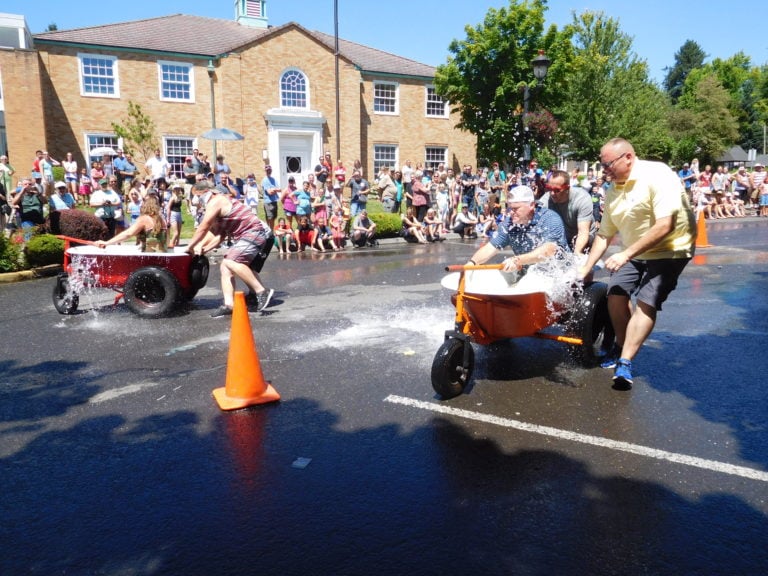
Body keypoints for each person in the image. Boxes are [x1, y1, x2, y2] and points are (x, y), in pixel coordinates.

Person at [578, 138, 696, 390]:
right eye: (602, 165)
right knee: (615, 294)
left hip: (670, 249)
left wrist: (625, 254)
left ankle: (625, 362)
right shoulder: (613, 190)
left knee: (646, 302)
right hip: (635, 250)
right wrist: (585, 269)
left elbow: (666, 225)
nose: (604, 170)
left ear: (628, 157)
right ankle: (622, 343)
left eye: (608, 164)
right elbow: (603, 235)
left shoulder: (658, 175)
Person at [187, 182, 275, 317]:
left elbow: (203, 227)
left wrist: (190, 247)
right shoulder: (216, 205)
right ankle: (229, 305)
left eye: (196, 195)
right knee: (225, 267)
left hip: (253, 232)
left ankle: (261, 291)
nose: (195, 199)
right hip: (245, 235)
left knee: (231, 261)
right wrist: (203, 248)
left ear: (205, 192)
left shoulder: (216, 201)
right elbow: (219, 235)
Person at [466, 185, 569, 279]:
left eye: (516, 209)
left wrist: (517, 260)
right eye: (510, 208)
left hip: (558, 276)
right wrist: (471, 263)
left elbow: (549, 250)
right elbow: (491, 247)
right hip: (530, 276)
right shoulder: (509, 224)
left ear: (532, 205)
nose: (511, 212)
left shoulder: (550, 219)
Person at [539, 169, 596, 254]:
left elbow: (583, 231)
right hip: (562, 236)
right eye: (549, 189)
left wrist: (577, 255)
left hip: (583, 236)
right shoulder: (545, 201)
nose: (552, 193)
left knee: (578, 251)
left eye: (557, 190)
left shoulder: (581, 198)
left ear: (567, 188)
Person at [95, 195, 168, 252]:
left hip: (149, 257)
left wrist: (107, 243)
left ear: (145, 206)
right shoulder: (162, 219)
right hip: (162, 255)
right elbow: (163, 240)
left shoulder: (144, 219)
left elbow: (128, 233)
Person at [165, 181, 185, 248]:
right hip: (173, 214)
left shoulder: (179, 198)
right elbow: (168, 208)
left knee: (179, 232)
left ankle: (177, 244)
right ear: (174, 190)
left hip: (179, 213)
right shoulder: (172, 198)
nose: (178, 190)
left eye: (178, 189)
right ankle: (171, 243)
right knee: (175, 232)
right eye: (176, 189)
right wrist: (168, 218)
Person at [261, 165, 280, 230]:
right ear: (265, 171)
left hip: (274, 200)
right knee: (270, 218)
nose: (269, 171)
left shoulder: (273, 179)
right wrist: (275, 190)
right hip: (268, 202)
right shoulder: (265, 180)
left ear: (271, 170)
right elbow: (269, 193)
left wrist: (273, 190)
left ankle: (269, 230)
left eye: (269, 170)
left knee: (274, 217)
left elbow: (279, 189)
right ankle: (271, 232)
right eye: (267, 170)